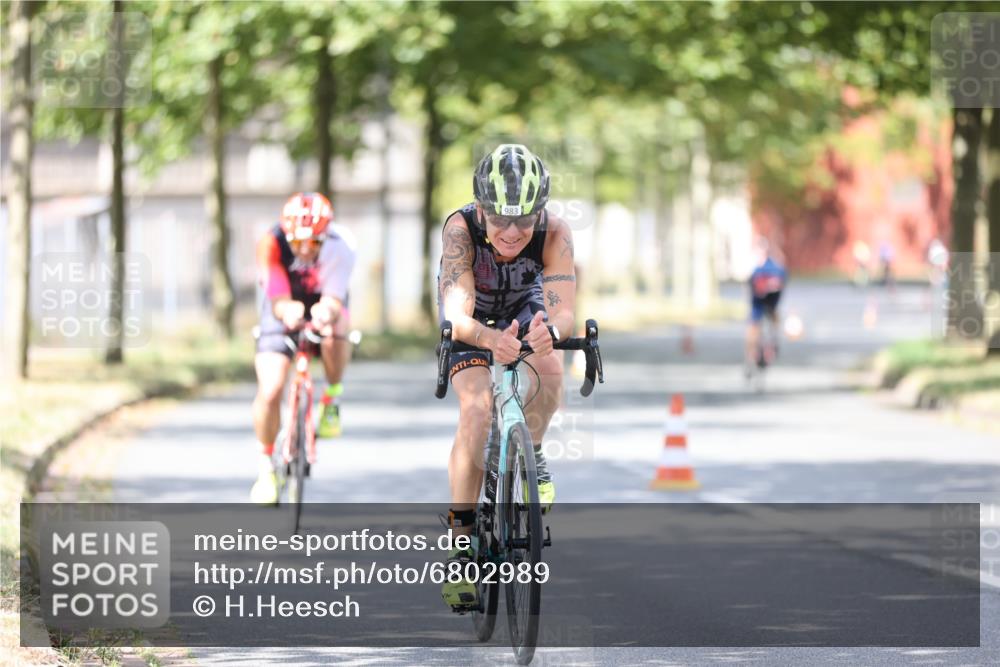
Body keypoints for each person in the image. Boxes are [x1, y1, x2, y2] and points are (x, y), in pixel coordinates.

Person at [436, 144, 577, 609]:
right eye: (499, 219)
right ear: (481, 209)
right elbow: (456, 315)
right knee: (476, 412)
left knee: (551, 365)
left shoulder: (555, 232)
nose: (513, 231)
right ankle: (461, 547)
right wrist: (488, 340)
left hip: (523, 308)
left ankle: (532, 453)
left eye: (524, 219)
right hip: (473, 319)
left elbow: (565, 312)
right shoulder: (460, 230)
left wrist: (550, 332)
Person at [250, 192, 357, 505]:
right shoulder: (270, 243)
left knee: (335, 332)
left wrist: (326, 312)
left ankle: (331, 397)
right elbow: (279, 299)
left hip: (324, 297)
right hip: (282, 302)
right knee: (270, 390)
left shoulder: (342, 244)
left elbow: (334, 299)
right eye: (299, 243)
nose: (307, 250)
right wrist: (288, 311)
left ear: (326, 237)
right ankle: (266, 466)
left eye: (315, 243)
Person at [745, 238, 787, 376]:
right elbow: (783, 280)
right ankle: (772, 341)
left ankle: (751, 358)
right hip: (768, 296)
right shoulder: (775, 266)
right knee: (769, 316)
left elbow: (750, 286)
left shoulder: (756, 268)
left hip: (762, 296)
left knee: (755, 322)